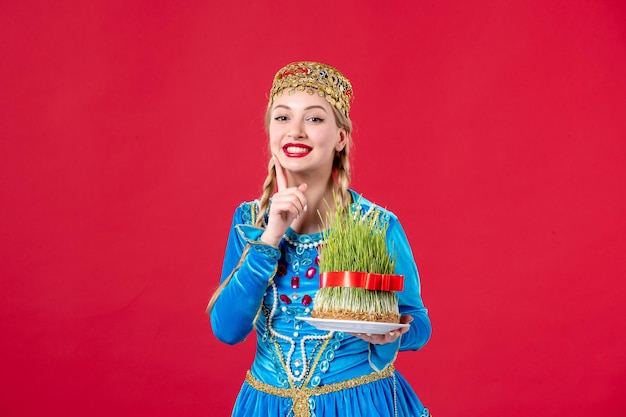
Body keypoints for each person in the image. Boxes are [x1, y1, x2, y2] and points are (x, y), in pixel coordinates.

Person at [207, 61, 432, 417]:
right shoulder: (248, 222)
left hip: (359, 404)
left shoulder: (377, 225)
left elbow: (418, 322)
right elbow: (228, 329)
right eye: (282, 118)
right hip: (266, 405)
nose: (295, 131)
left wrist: (396, 332)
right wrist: (271, 236)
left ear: (341, 137)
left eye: (313, 119)